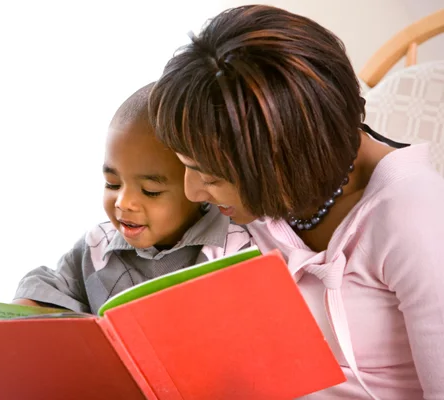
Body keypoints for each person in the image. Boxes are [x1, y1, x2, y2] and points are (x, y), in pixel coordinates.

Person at [149, 5, 444, 399]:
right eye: (185, 165)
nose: (193, 192)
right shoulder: (259, 196)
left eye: (212, 177)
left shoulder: (414, 215)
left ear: (283, 160)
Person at [13, 83, 250, 315]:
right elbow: (47, 289)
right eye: (112, 184)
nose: (123, 202)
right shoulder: (97, 245)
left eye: (150, 191)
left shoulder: (240, 247)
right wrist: (27, 308)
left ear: (198, 186)